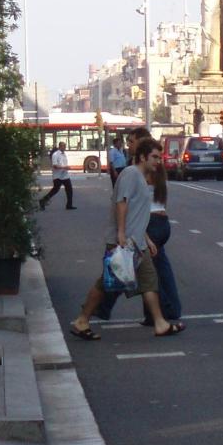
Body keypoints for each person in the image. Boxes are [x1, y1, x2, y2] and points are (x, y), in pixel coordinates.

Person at [68, 137, 182, 340]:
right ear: (142, 157)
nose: (158, 161)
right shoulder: (131, 174)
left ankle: (160, 323)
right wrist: (121, 233)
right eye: (154, 157)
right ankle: (82, 320)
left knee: (149, 281)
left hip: (136, 241)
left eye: (159, 157)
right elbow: (122, 203)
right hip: (124, 241)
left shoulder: (141, 176)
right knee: (106, 282)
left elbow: (137, 213)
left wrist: (145, 238)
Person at [39, 142, 76, 210]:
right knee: (55, 190)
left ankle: (69, 205)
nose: (64, 148)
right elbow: (55, 166)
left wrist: (66, 168)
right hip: (57, 176)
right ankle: (43, 201)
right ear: (60, 146)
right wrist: (64, 167)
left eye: (65, 146)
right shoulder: (55, 155)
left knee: (69, 190)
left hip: (65, 175)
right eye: (63, 146)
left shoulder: (64, 154)